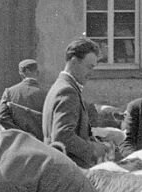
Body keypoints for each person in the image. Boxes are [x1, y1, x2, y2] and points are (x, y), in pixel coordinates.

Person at [42, 35, 102, 168]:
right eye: (89, 67)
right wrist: (93, 149)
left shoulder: (60, 85)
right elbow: (62, 136)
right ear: (74, 61)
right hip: (69, 170)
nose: (91, 73)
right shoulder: (68, 91)